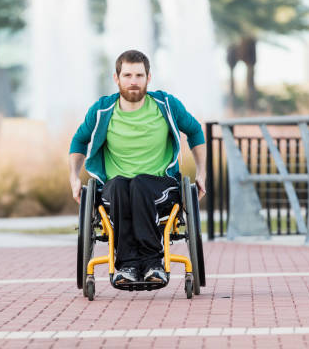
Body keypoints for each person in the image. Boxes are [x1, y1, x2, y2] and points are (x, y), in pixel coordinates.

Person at [69, 49, 206, 285]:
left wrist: (202, 173)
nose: (133, 82)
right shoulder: (102, 110)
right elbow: (80, 140)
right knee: (124, 185)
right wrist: (73, 177)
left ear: (148, 78)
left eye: (139, 76)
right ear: (117, 78)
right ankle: (127, 266)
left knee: (140, 183)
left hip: (160, 186)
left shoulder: (166, 104)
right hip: (115, 188)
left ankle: (154, 263)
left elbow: (194, 131)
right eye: (128, 75)